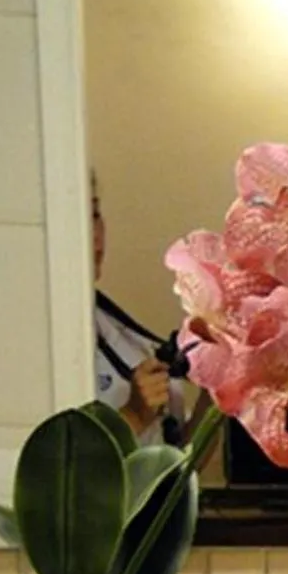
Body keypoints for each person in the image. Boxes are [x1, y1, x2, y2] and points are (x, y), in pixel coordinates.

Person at [91, 174, 186, 447]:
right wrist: (133, 416)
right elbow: (71, 470)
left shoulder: (111, 327)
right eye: (84, 216)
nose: (96, 237)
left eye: (96, 215)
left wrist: (214, 395)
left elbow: (176, 460)